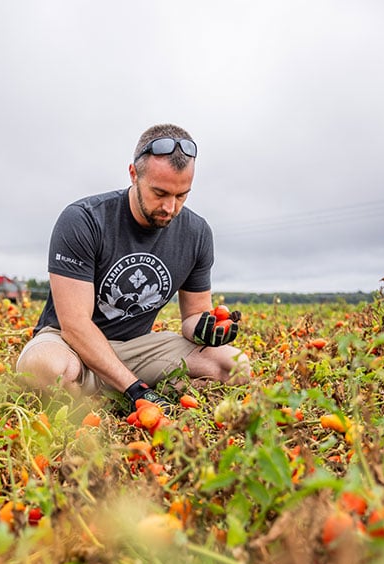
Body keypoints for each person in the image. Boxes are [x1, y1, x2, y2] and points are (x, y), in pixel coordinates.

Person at [16, 123, 250, 412]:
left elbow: (193, 315)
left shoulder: (197, 233)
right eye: (159, 193)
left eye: (181, 195)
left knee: (234, 366)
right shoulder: (84, 219)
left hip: (136, 347)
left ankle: (98, 397)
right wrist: (135, 389)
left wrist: (207, 329)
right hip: (69, 344)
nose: (170, 207)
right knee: (47, 368)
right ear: (133, 174)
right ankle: (123, 393)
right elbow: (75, 325)